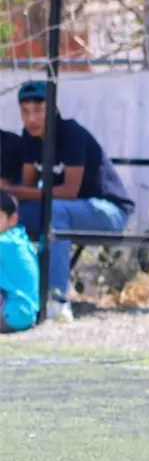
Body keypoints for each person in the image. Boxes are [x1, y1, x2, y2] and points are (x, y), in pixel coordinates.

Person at [0, 80, 135, 321]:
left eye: (38, 110)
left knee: (55, 212)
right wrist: (9, 196)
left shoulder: (71, 133)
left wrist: (13, 189)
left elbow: (70, 191)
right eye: (25, 111)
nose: (32, 119)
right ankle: (19, 294)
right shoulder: (29, 138)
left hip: (107, 210)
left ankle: (57, 299)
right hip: (63, 207)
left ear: (53, 110)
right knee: (8, 217)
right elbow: (28, 186)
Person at [0, 193, 40, 333]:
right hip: (23, 314)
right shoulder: (18, 239)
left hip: (12, 314)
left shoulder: (6, 243)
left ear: (13, 219)